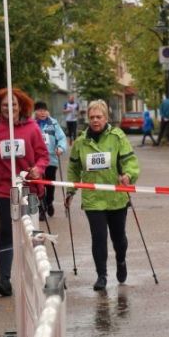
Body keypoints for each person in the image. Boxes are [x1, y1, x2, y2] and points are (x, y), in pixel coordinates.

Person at [0, 88, 49, 296]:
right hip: (4, 190)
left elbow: (43, 156)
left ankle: (38, 273)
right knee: (7, 231)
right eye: (5, 105)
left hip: (29, 189)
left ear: (21, 106)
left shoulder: (32, 128)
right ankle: (4, 280)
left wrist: (39, 169)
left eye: (13, 104)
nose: (9, 108)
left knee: (32, 230)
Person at [66, 98, 140, 291]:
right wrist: (70, 191)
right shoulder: (81, 142)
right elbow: (73, 168)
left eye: (99, 117)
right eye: (92, 117)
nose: (95, 120)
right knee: (98, 238)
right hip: (93, 199)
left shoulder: (117, 137)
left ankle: (121, 260)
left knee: (119, 239)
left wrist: (128, 175)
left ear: (106, 118)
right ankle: (101, 275)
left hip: (116, 198)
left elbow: (130, 161)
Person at [33, 100, 68, 216]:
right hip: (36, 161)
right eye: (40, 110)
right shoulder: (32, 124)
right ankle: (42, 207)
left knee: (49, 184)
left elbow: (62, 138)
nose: (43, 113)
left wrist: (60, 148)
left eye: (45, 110)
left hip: (51, 160)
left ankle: (49, 202)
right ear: (35, 112)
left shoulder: (53, 123)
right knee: (39, 185)